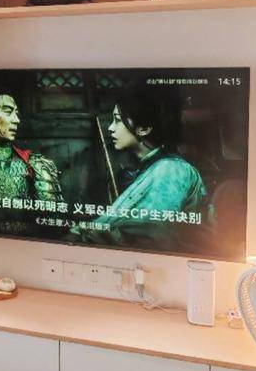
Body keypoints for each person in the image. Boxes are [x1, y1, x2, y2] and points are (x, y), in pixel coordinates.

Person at [70, 83, 208, 250]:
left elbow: (148, 232)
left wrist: (81, 236)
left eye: (118, 120)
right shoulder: (151, 168)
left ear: (144, 128)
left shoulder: (170, 170)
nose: (111, 128)